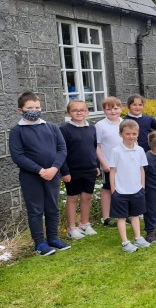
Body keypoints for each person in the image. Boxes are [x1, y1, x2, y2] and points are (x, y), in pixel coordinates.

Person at [9, 91, 69, 256]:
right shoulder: (17, 131)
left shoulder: (51, 127)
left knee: (53, 207)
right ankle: (40, 243)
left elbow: (62, 149)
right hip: (31, 177)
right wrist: (40, 170)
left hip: (53, 174)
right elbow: (18, 156)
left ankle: (53, 238)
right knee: (35, 210)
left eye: (37, 107)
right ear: (20, 110)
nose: (34, 110)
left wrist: (55, 168)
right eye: (30, 107)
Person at [60, 100, 99, 240]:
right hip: (72, 170)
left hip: (89, 168)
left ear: (87, 112)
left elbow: (95, 148)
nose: (79, 112)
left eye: (82, 110)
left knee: (87, 196)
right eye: (75, 110)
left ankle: (84, 223)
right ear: (68, 113)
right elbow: (61, 151)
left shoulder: (92, 128)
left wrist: (97, 165)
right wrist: (64, 171)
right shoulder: (64, 130)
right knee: (72, 198)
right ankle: (71, 228)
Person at [109, 119, 150, 253]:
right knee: (121, 217)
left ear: (137, 134)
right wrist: (113, 189)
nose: (131, 136)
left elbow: (141, 169)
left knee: (135, 215)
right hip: (120, 191)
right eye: (127, 134)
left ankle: (138, 238)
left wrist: (142, 186)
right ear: (121, 134)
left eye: (134, 134)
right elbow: (112, 171)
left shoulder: (140, 150)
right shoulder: (116, 151)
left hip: (136, 189)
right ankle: (125, 242)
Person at [95, 96, 124, 227]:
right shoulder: (100, 125)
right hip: (109, 165)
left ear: (121, 109)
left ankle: (123, 214)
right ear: (104, 110)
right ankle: (106, 217)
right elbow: (98, 147)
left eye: (116, 108)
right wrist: (104, 164)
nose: (113, 112)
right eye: (109, 109)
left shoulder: (124, 123)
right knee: (107, 190)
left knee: (123, 189)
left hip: (124, 164)